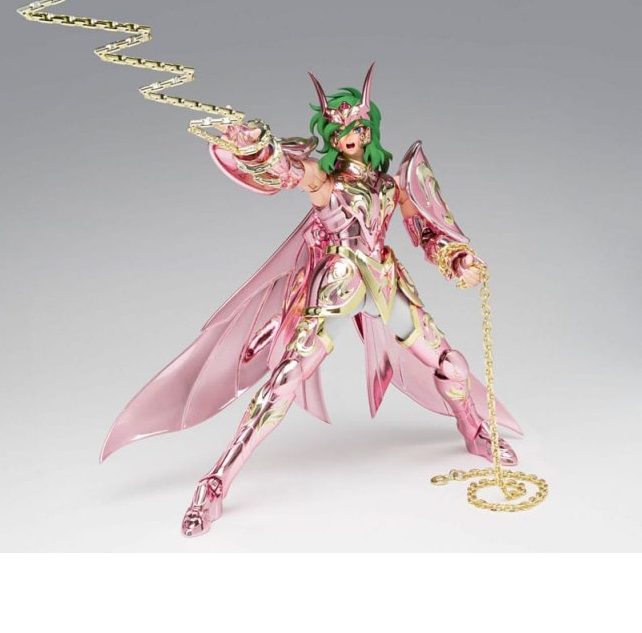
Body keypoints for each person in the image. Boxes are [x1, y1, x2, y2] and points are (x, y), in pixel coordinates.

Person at [101, 62, 521, 537]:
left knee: (452, 365)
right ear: (330, 135)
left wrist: (456, 260)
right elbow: (288, 172)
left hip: (386, 285)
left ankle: (473, 429)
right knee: (282, 383)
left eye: (357, 127)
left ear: (369, 129)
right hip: (338, 286)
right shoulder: (326, 181)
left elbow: (424, 231)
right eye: (339, 130)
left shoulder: (390, 185)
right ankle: (215, 484)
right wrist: (257, 147)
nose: (350, 136)